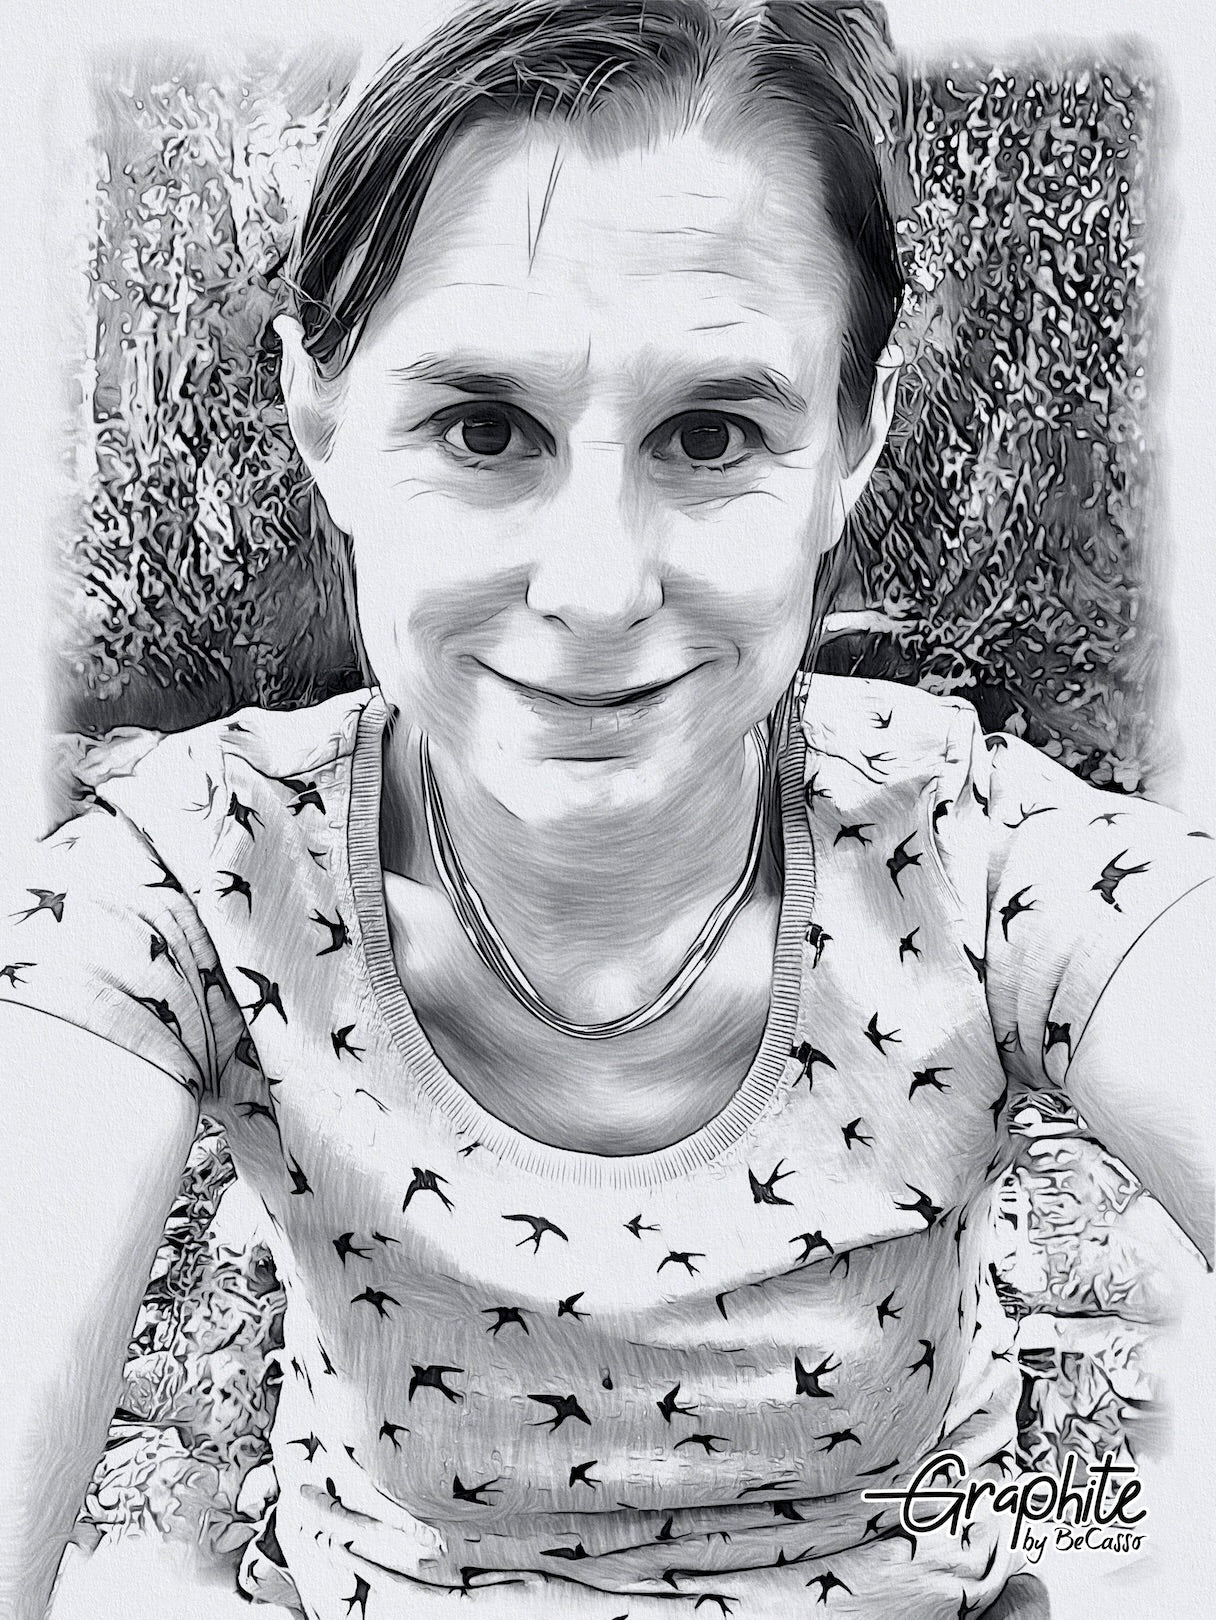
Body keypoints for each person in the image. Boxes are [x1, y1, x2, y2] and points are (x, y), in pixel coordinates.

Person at [1, 2, 1212, 1617]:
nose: (592, 588)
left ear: (851, 441)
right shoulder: (196, 880)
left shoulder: (978, 865)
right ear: (324, 422)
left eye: (711, 434)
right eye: (481, 428)